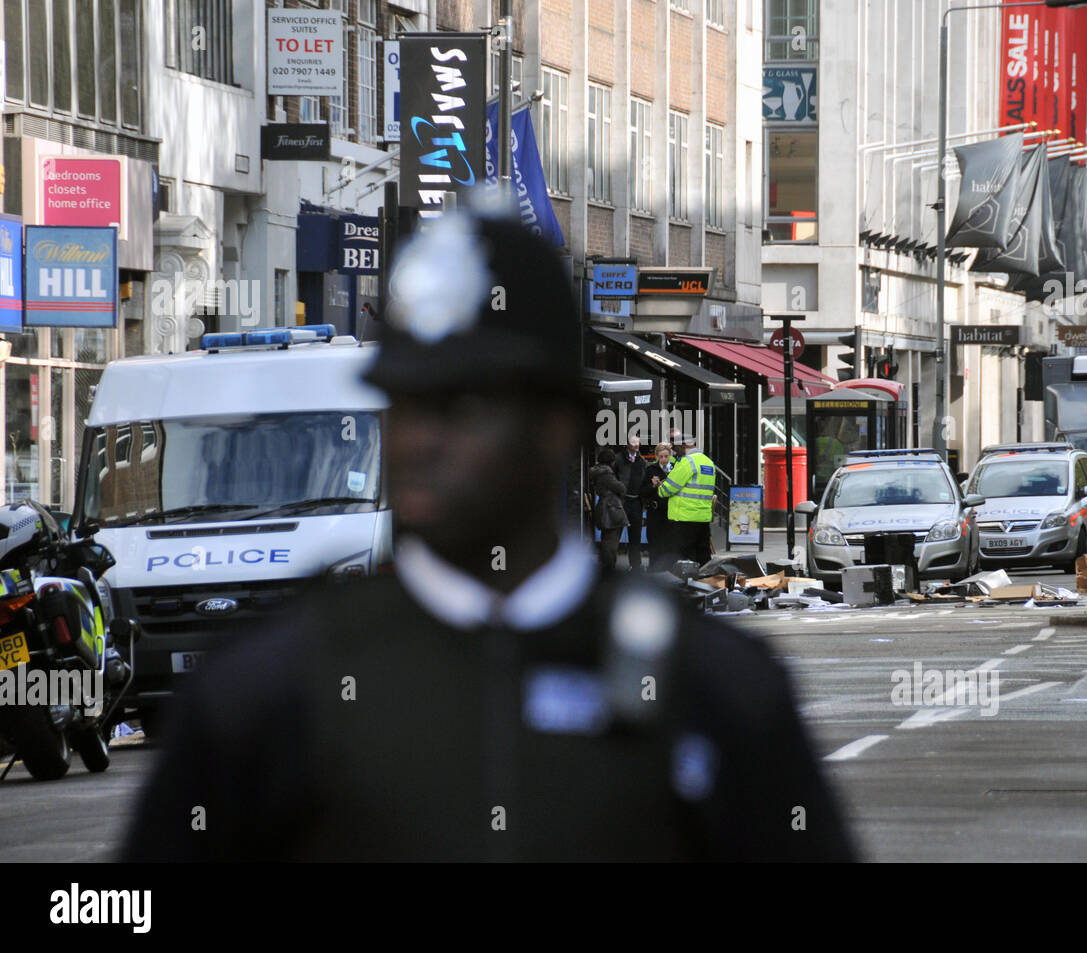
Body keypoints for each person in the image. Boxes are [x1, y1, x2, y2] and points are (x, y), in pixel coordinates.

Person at [120, 193, 856, 863]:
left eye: (463, 407)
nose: (421, 442)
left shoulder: (711, 691)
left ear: (556, 426)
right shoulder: (269, 695)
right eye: (407, 406)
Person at [658, 436, 717, 566]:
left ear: (683, 447)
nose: (674, 452)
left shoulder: (686, 462)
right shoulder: (708, 462)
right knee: (703, 557)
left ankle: (688, 584)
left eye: (675, 448)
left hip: (684, 519)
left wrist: (660, 488)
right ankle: (704, 583)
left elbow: (667, 489)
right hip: (702, 518)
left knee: (685, 561)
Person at [589, 448, 629, 571]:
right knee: (611, 540)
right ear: (611, 461)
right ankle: (608, 567)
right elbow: (620, 487)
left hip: (605, 506)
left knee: (606, 538)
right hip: (611, 508)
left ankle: (605, 565)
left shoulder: (598, 471)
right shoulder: (606, 473)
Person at [613, 437, 648, 570]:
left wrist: (643, 500)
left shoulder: (642, 461)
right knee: (615, 535)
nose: (637, 445)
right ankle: (610, 566)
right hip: (621, 502)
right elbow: (613, 477)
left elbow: (645, 480)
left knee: (635, 536)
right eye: (633, 442)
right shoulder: (618, 459)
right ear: (627, 444)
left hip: (636, 502)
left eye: (638, 442)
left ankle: (635, 565)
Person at [643, 441, 674, 571]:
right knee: (654, 542)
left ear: (670, 455)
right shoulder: (651, 469)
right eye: (661, 457)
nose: (664, 459)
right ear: (656, 456)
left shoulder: (676, 468)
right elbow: (642, 491)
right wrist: (652, 485)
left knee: (669, 542)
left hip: (671, 511)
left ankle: (668, 568)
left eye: (666, 456)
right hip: (655, 511)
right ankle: (654, 568)